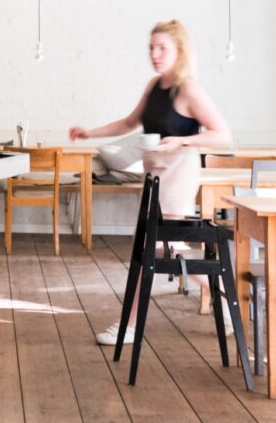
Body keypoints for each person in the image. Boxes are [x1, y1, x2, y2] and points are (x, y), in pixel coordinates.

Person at [68, 19, 231, 345]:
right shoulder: (154, 87)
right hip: (154, 173)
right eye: (151, 48)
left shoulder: (188, 90)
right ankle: (224, 294)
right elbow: (129, 122)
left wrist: (183, 142)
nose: (154, 54)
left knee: (153, 246)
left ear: (179, 51)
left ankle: (128, 327)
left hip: (179, 175)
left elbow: (222, 135)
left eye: (162, 48)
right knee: (162, 247)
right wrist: (90, 132)